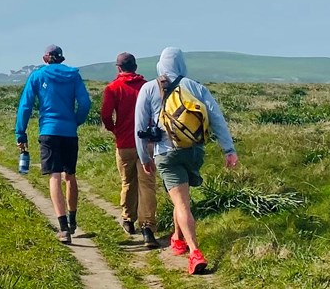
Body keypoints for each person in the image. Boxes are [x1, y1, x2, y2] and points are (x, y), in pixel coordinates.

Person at [135, 48, 239, 275]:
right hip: (194, 152)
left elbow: (139, 127)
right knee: (182, 198)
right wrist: (229, 149)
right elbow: (216, 118)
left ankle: (194, 252)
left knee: (181, 202)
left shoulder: (149, 88)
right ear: (181, 64)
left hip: (166, 152)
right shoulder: (196, 87)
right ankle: (177, 239)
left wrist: (144, 157)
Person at [16, 44, 92, 244]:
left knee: (54, 177)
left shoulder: (37, 76)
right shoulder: (74, 75)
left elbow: (25, 105)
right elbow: (85, 103)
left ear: (45, 58)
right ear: (61, 59)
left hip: (49, 131)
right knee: (70, 176)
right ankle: (73, 219)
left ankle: (63, 228)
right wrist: (76, 120)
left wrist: (20, 132)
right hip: (69, 133)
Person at [101, 52, 160, 249]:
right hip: (148, 142)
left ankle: (128, 218)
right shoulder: (149, 87)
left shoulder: (113, 88)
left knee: (128, 182)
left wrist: (114, 129)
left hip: (125, 142)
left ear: (118, 68)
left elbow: (106, 115)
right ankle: (148, 227)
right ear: (135, 66)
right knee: (147, 185)